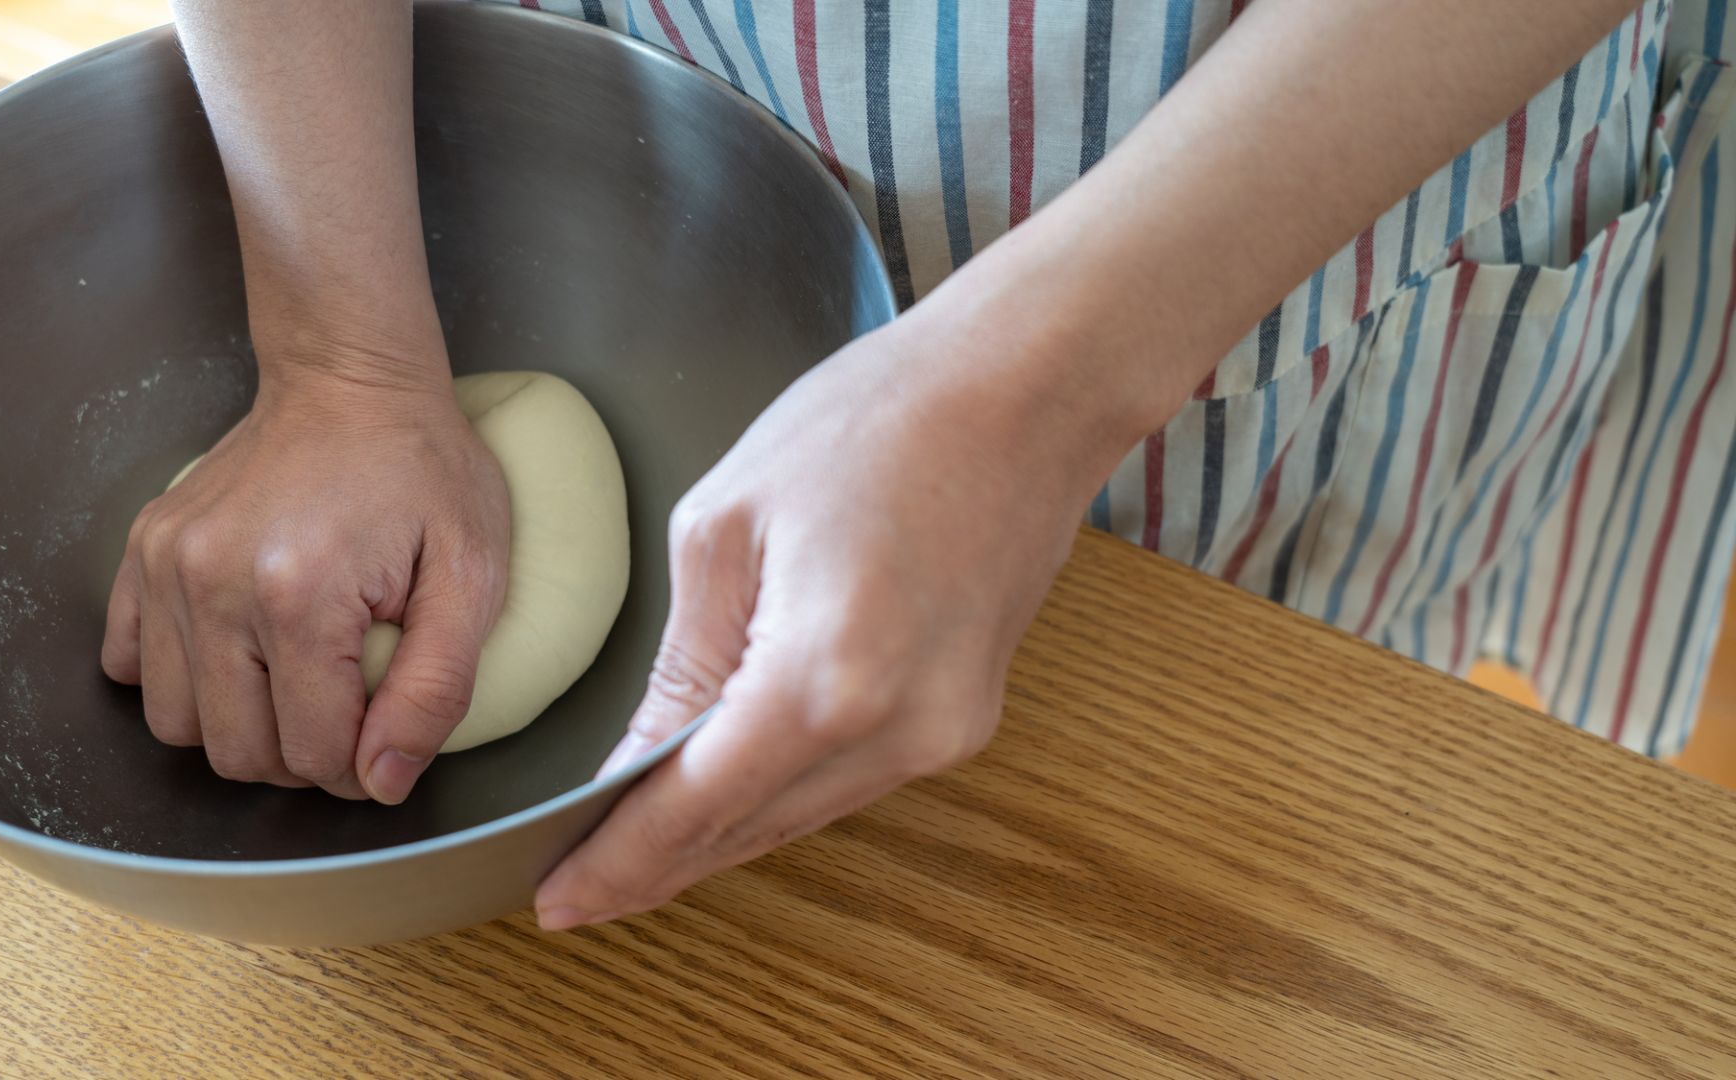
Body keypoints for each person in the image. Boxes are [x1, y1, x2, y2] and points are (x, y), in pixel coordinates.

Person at [102, 0, 1736, 931]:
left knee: (1207, 824)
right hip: (642, 85)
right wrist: (343, 346)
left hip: (1290, 168)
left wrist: (1045, 383)